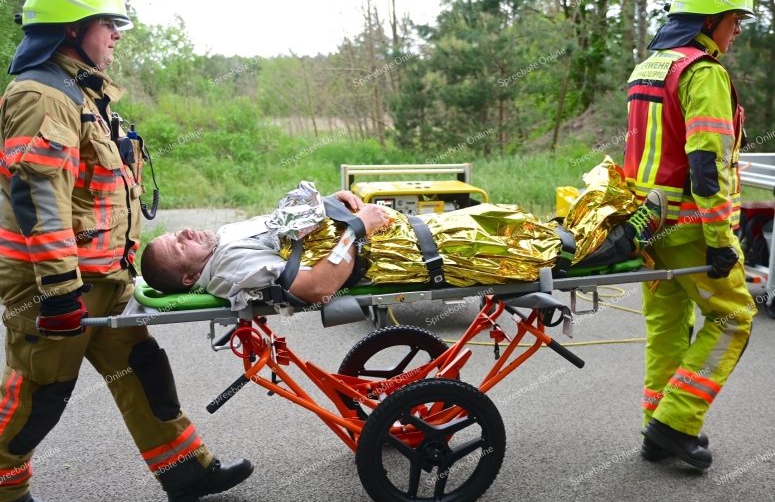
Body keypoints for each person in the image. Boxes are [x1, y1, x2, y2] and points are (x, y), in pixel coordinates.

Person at [0, 0, 252, 502]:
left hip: (102, 280)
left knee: (143, 372)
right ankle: (3, 491)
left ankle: (186, 472)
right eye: (108, 23)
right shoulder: (42, 97)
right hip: (54, 286)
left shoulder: (83, 93)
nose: (116, 34)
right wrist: (59, 291)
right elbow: (40, 198)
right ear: (71, 29)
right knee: (39, 389)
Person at [140, 180, 667, 308]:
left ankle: (591, 226)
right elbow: (316, 287)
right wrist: (356, 228)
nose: (185, 233)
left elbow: (290, 232)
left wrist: (331, 205)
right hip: (390, 255)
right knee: (514, 241)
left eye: (176, 231)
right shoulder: (230, 265)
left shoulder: (225, 242)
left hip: (389, 238)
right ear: (189, 277)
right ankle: (625, 239)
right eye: (178, 246)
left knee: (504, 220)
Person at [624, 0, 755, 469]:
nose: (737, 29)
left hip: (649, 226)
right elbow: (706, 162)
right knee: (733, 318)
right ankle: (675, 424)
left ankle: (657, 428)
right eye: (734, 19)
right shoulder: (704, 72)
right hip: (692, 227)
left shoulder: (649, 67)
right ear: (709, 20)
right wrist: (721, 238)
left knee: (667, 326)